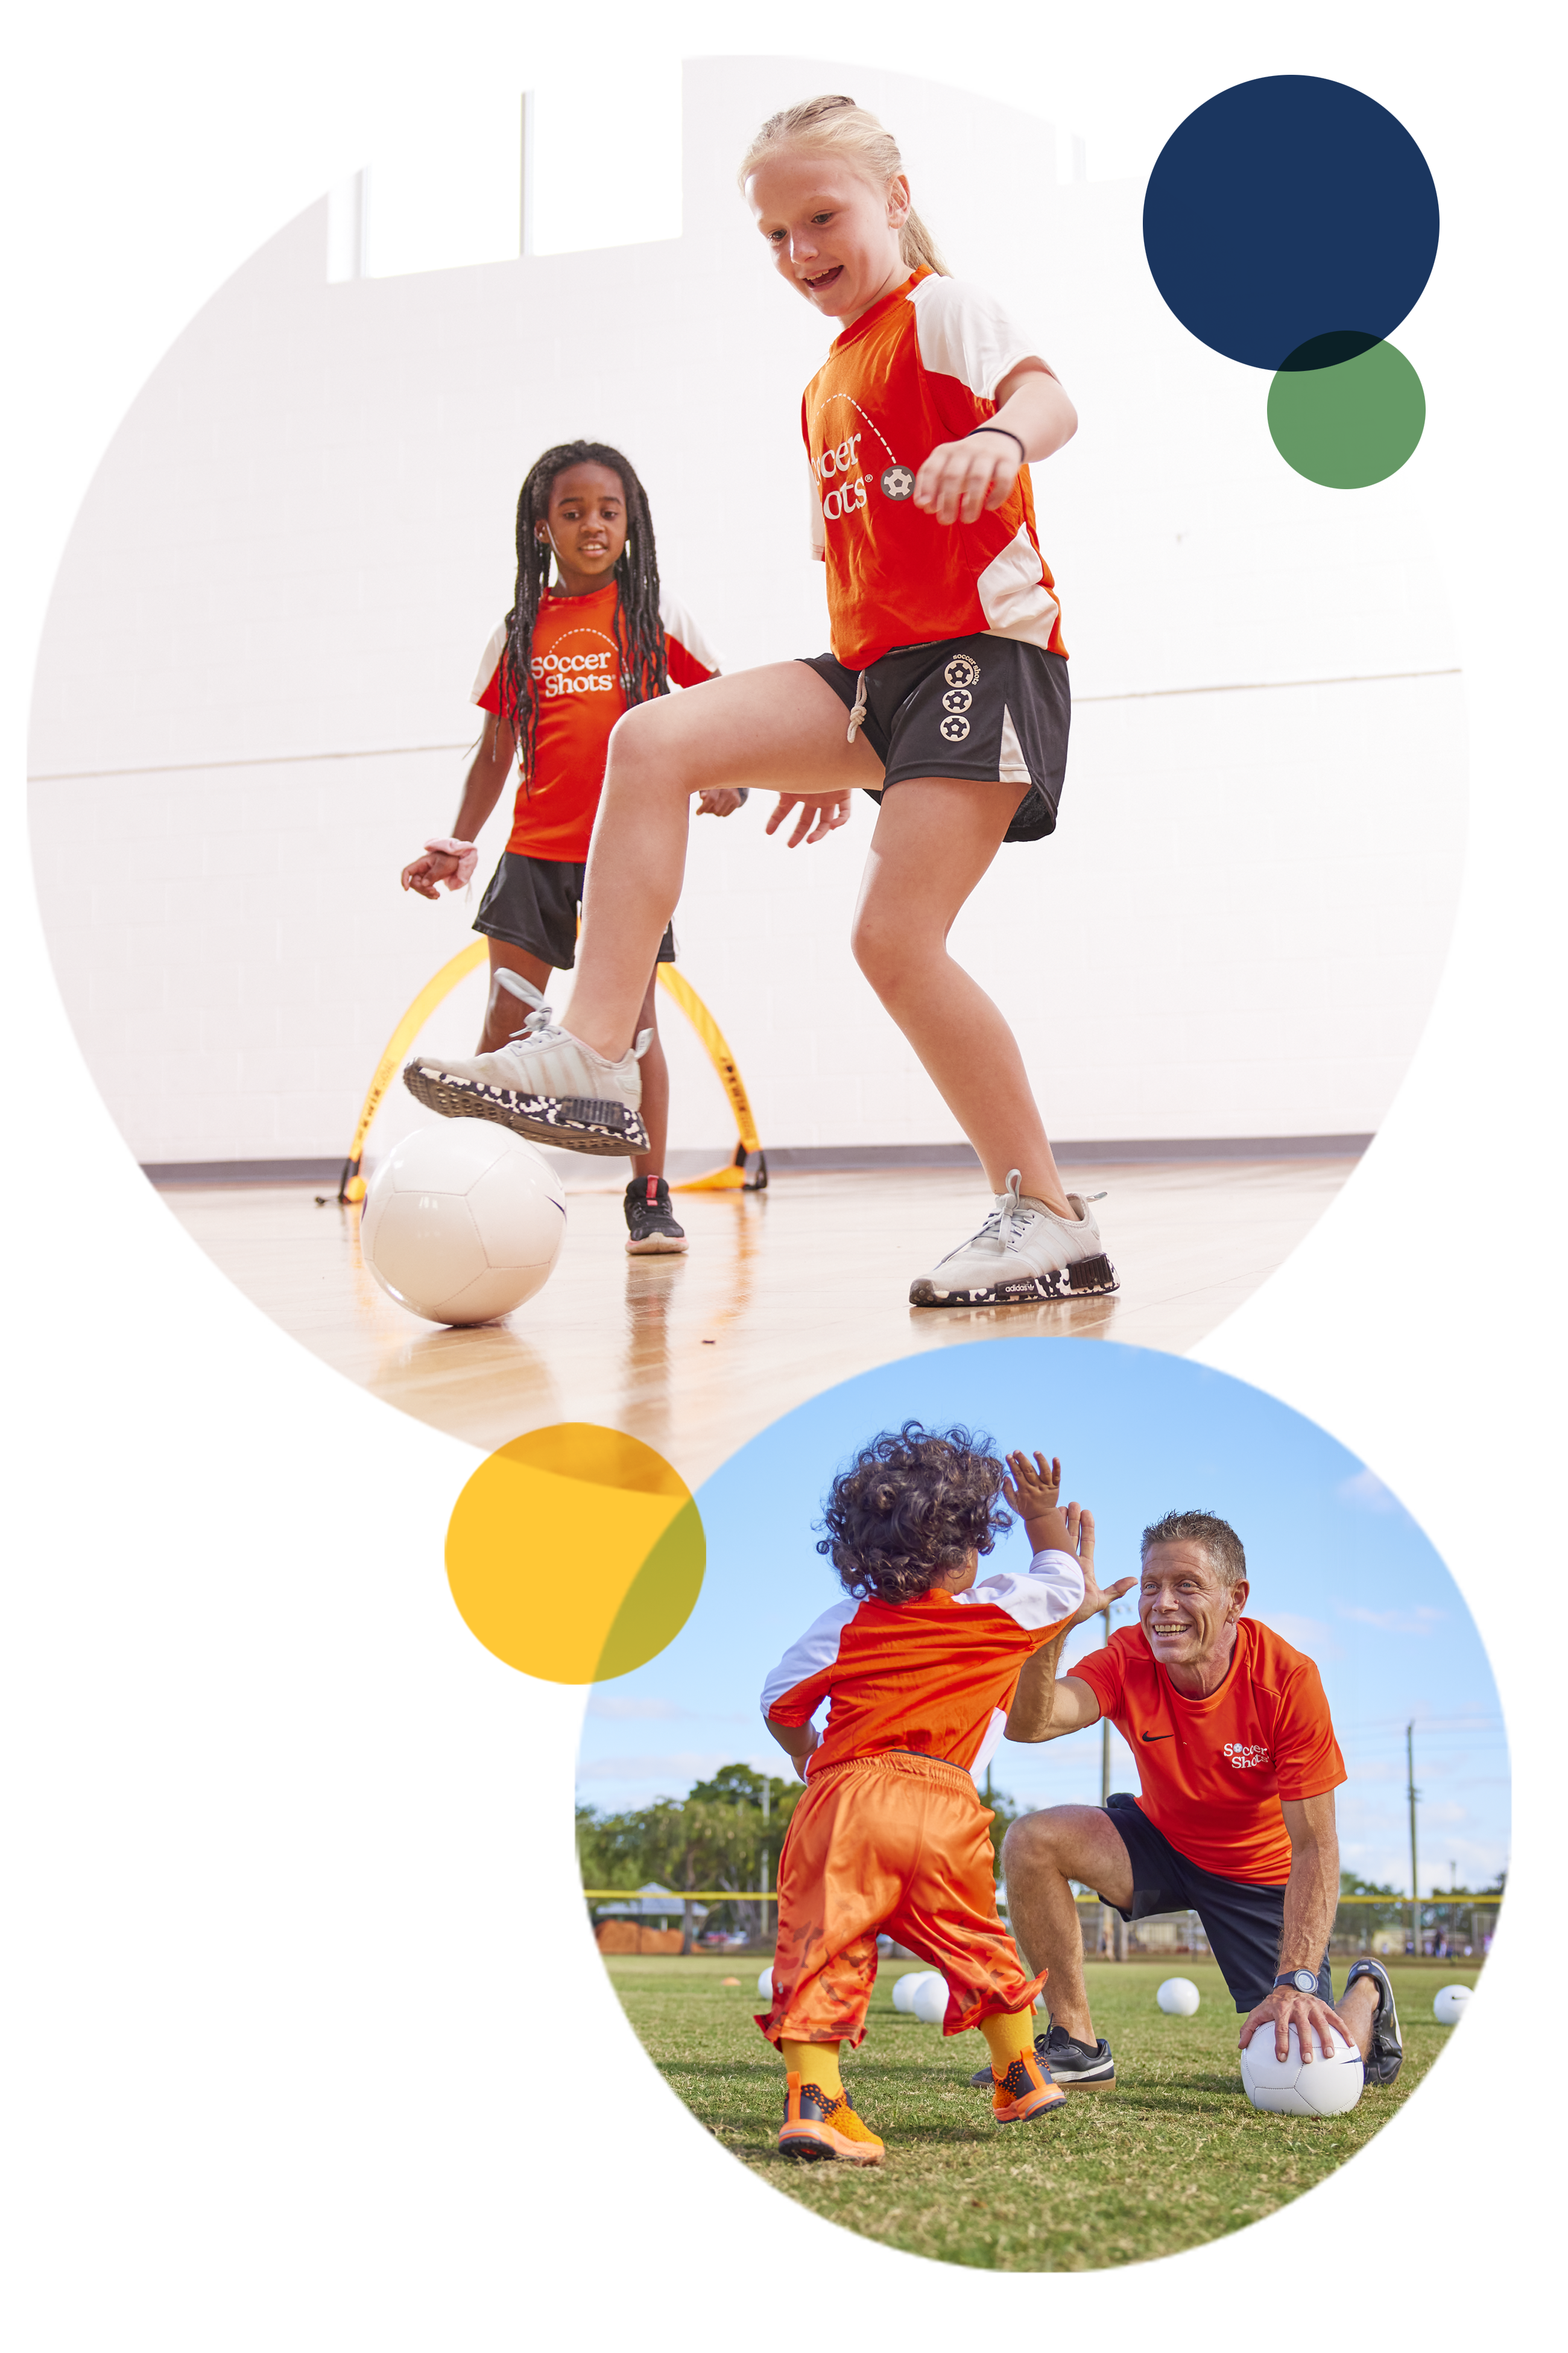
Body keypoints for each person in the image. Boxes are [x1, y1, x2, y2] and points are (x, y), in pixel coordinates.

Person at [403, 97, 1116, 1309]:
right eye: (775, 235)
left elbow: (1052, 398)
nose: (801, 253)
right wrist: (841, 757)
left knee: (891, 944)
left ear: (893, 197)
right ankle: (594, 1054)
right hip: (877, 686)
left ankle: (1046, 1215)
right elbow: (862, 579)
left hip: (983, 660)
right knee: (656, 737)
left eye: (822, 218)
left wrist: (1003, 439)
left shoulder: (939, 309)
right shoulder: (826, 381)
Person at [400, 439, 741, 1255]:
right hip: (533, 857)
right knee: (502, 1032)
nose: (594, 525)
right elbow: (494, 750)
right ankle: (480, 1189)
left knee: (633, 1030)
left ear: (632, 524)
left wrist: (732, 775)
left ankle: (649, 1195)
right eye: (574, 511)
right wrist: (459, 839)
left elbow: (725, 707)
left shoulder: (655, 616)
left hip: (626, 861)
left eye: (609, 511)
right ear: (542, 528)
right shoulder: (520, 631)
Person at [755, 1428, 1093, 2161]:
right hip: (946, 1807)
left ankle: (815, 2103)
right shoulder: (999, 1610)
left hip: (845, 1798)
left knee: (825, 1946)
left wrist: (806, 1753)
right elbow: (1065, 1586)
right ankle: (1020, 2073)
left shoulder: (847, 1621)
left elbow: (779, 1699)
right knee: (974, 1936)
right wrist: (1041, 1517)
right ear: (972, 1543)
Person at [991, 1509, 1404, 2095]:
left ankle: (1367, 1990)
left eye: (1186, 1585)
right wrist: (1052, 1627)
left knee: (1314, 2073)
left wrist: (1297, 1981)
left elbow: (1315, 1843)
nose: (1162, 1603)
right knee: (1032, 1839)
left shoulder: (1287, 1680)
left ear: (1235, 1598)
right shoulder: (1128, 1654)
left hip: (1257, 1876)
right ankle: (1075, 2045)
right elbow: (1030, 1725)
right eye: (1152, 1585)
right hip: (1162, 1841)